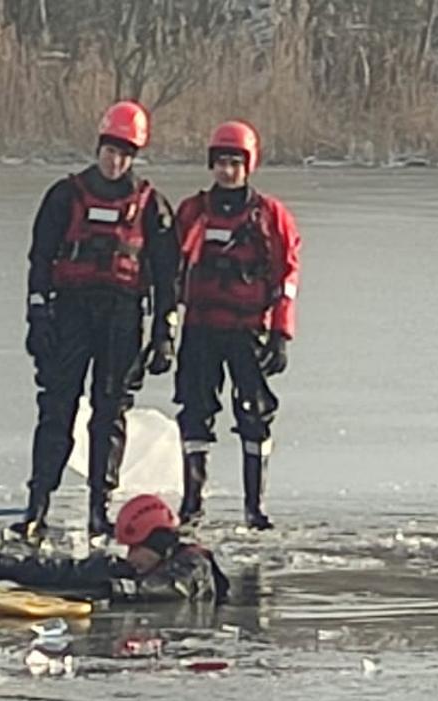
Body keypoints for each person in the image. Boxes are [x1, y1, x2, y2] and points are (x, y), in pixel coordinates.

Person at [17, 100, 181, 541]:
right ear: (98, 148)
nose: (116, 161)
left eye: (125, 154)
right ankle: (37, 504)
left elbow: (168, 276)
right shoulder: (64, 196)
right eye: (111, 151)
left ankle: (98, 507)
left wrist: (164, 333)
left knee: (110, 413)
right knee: (57, 408)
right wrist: (37, 314)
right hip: (70, 312)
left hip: (122, 316)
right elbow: (40, 259)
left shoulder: (152, 205)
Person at [171, 120, 302, 530]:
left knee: (254, 414)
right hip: (200, 327)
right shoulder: (192, 212)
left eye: (234, 163)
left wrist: (280, 333)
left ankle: (254, 507)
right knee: (195, 411)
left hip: (248, 330)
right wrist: (163, 328)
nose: (227, 171)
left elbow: (287, 275)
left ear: (248, 166)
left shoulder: (270, 216)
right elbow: (170, 268)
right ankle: (192, 504)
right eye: (221, 163)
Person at [0, 494, 228, 603]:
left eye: (135, 548)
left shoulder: (194, 565)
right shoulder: (135, 568)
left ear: (158, 543)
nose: (130, 556)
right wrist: (6, 567)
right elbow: (68, 571)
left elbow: (169, 589)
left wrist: (108, 589)